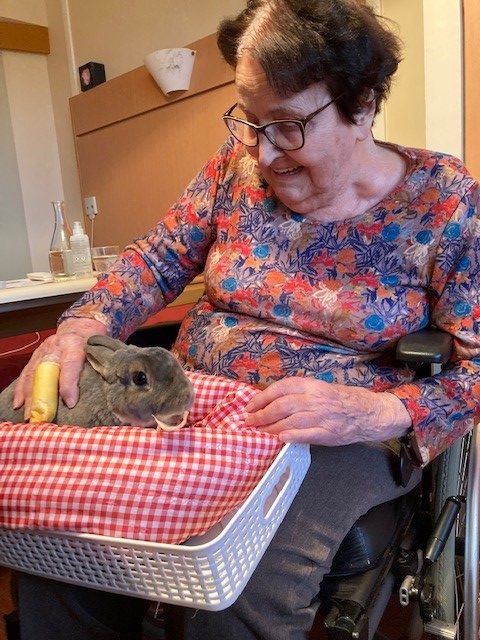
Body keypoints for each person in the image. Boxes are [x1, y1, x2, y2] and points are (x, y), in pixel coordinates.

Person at [11, 1, 480, 639]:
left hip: (334, 436)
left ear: (363, 104)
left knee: (240, 581)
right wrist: (79, 327)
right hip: (193, 406)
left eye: (287, 125)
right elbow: (156, 259)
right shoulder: (233, 170)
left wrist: (376, 411)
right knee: (62, 544)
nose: (262, 152)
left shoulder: (444, 200)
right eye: (250, 122)